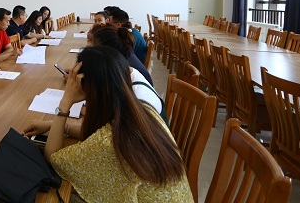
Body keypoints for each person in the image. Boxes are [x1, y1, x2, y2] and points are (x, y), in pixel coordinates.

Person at [24, 46, 192, 203]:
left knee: (54, 192)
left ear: (85, 86)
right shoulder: (142, 112)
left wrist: (65, 102)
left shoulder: (106, 143)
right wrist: (57, 126)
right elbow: (96, 135)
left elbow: (53, 158)